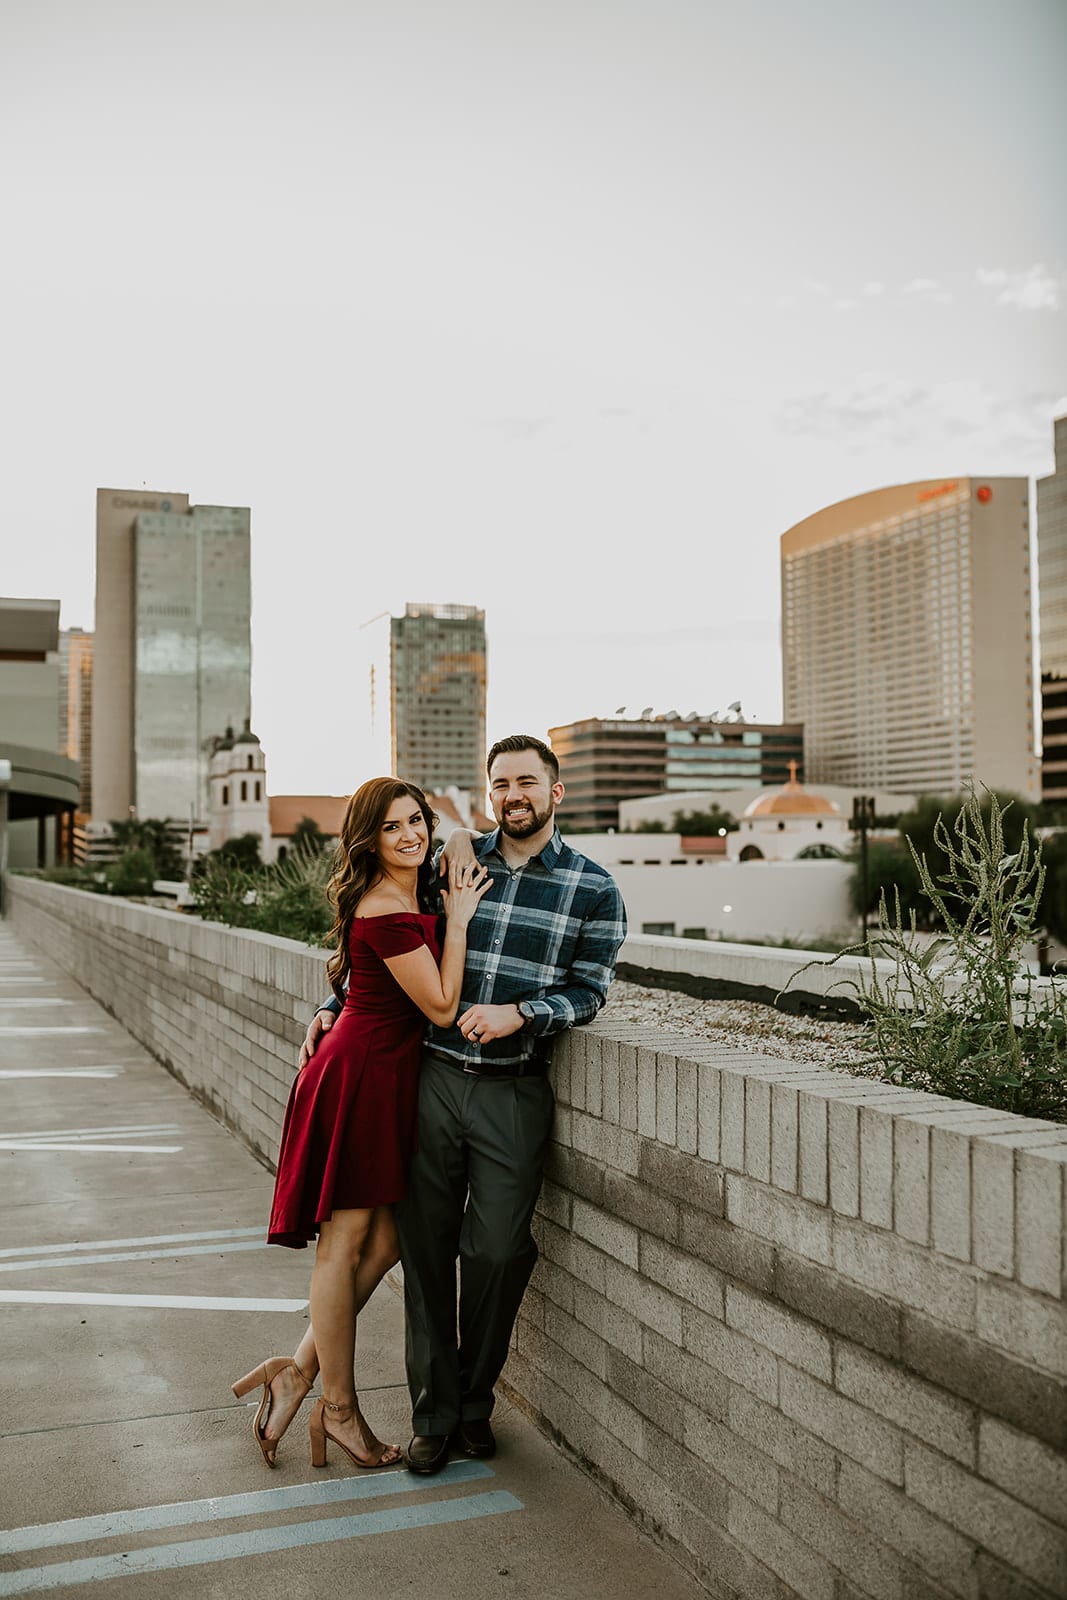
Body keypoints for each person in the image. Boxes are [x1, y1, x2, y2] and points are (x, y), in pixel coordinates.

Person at [297, 735, 627, 1474]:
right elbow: (389, 946)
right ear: (489, 793)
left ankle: (475, 1403)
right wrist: (332, 1006)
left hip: (513, 1086)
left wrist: (523, 1013)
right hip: (431, 1081)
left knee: (498, 1252)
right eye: (501, 784)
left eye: (527, 783)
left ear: (555, 792)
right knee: (424, 1252)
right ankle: (434, 1417)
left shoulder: (593, 888)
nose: (513, 796)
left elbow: (590, 992)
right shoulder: (450, 862)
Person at [232, 777, 490, 1471]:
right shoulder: (383, 905)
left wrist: (453, 837)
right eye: (391, 827)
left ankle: (297, 1374)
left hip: (382, 1075)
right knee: (342, 1246)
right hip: (360, 1078)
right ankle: (339, 1411)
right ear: (368, 841)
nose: (410, 835)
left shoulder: (411, 884)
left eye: (417, 820)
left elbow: (463, 839)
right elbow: (442, 1007)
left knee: (387, 1240)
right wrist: (460, 919)